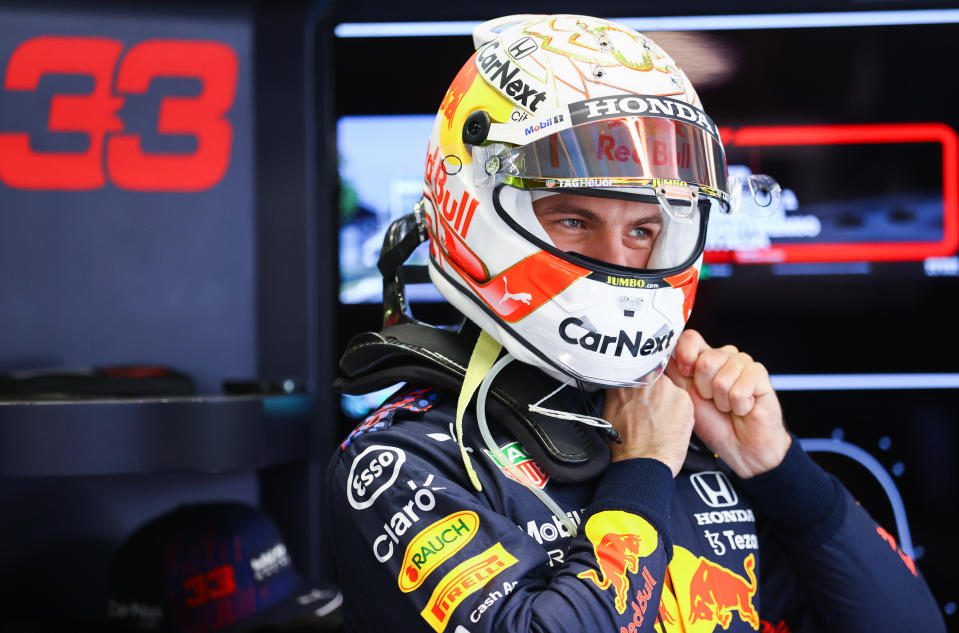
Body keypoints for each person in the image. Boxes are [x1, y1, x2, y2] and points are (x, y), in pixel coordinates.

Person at [326, 14, 945, 633]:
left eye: (643, 230)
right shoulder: (400, 459)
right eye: (573, 220)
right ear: (476, 209)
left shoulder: (698, 439)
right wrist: (643, 474)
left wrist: (779, 468)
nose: (620, 260)